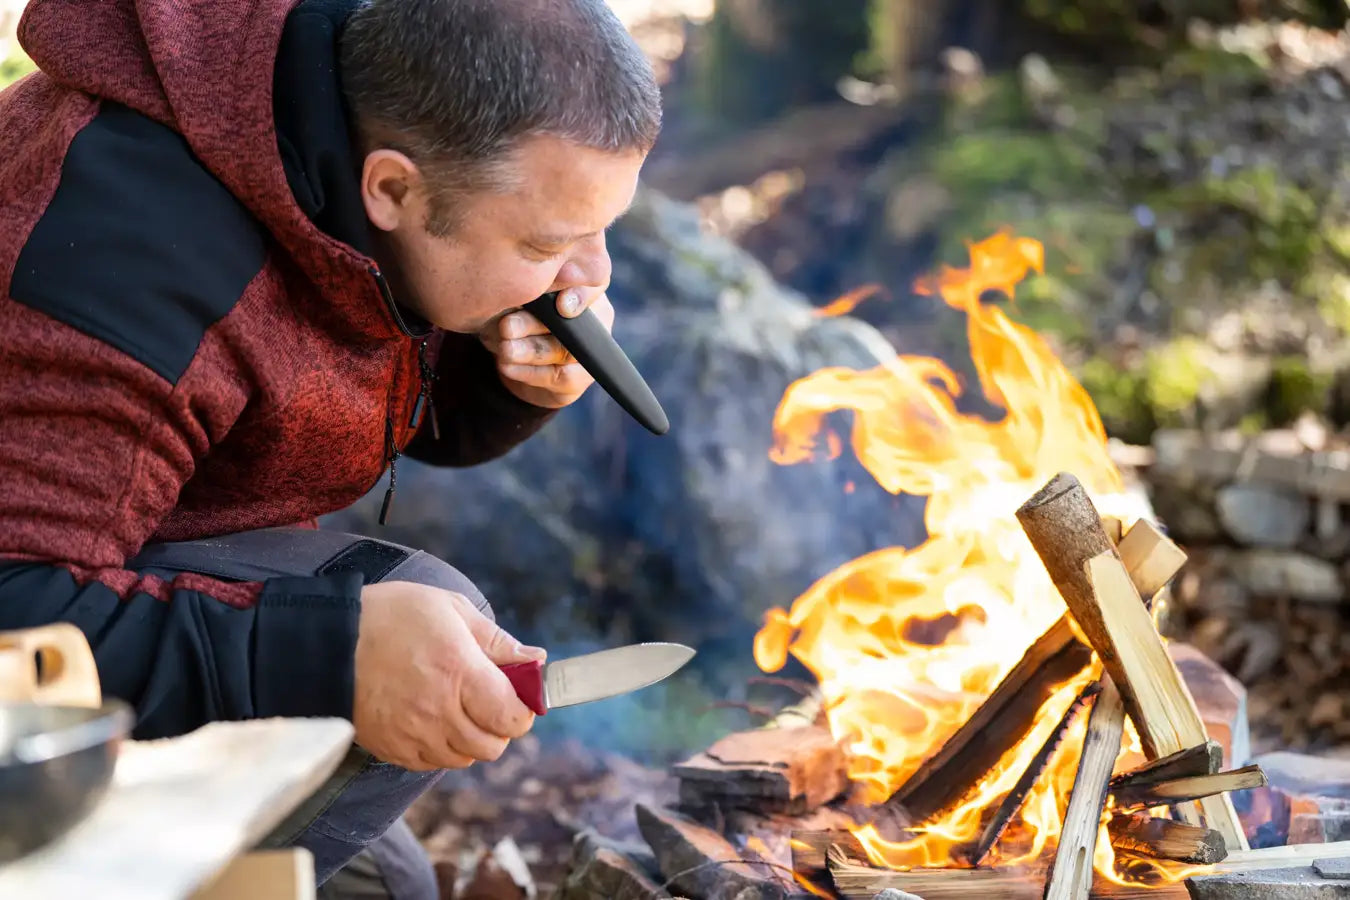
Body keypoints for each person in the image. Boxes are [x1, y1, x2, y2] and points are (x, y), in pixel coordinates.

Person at [0, 0, 661, 896]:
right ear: (390, 190)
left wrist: (505, 386)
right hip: (30, 640)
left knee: (383, 887)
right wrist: (323, 653)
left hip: (120, 559)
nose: (589, 278)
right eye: (548, 242)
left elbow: (312, 416)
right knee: (418, 610)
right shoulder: (117, 268)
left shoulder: (355, 122)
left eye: (599, 231)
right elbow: (16, 607)